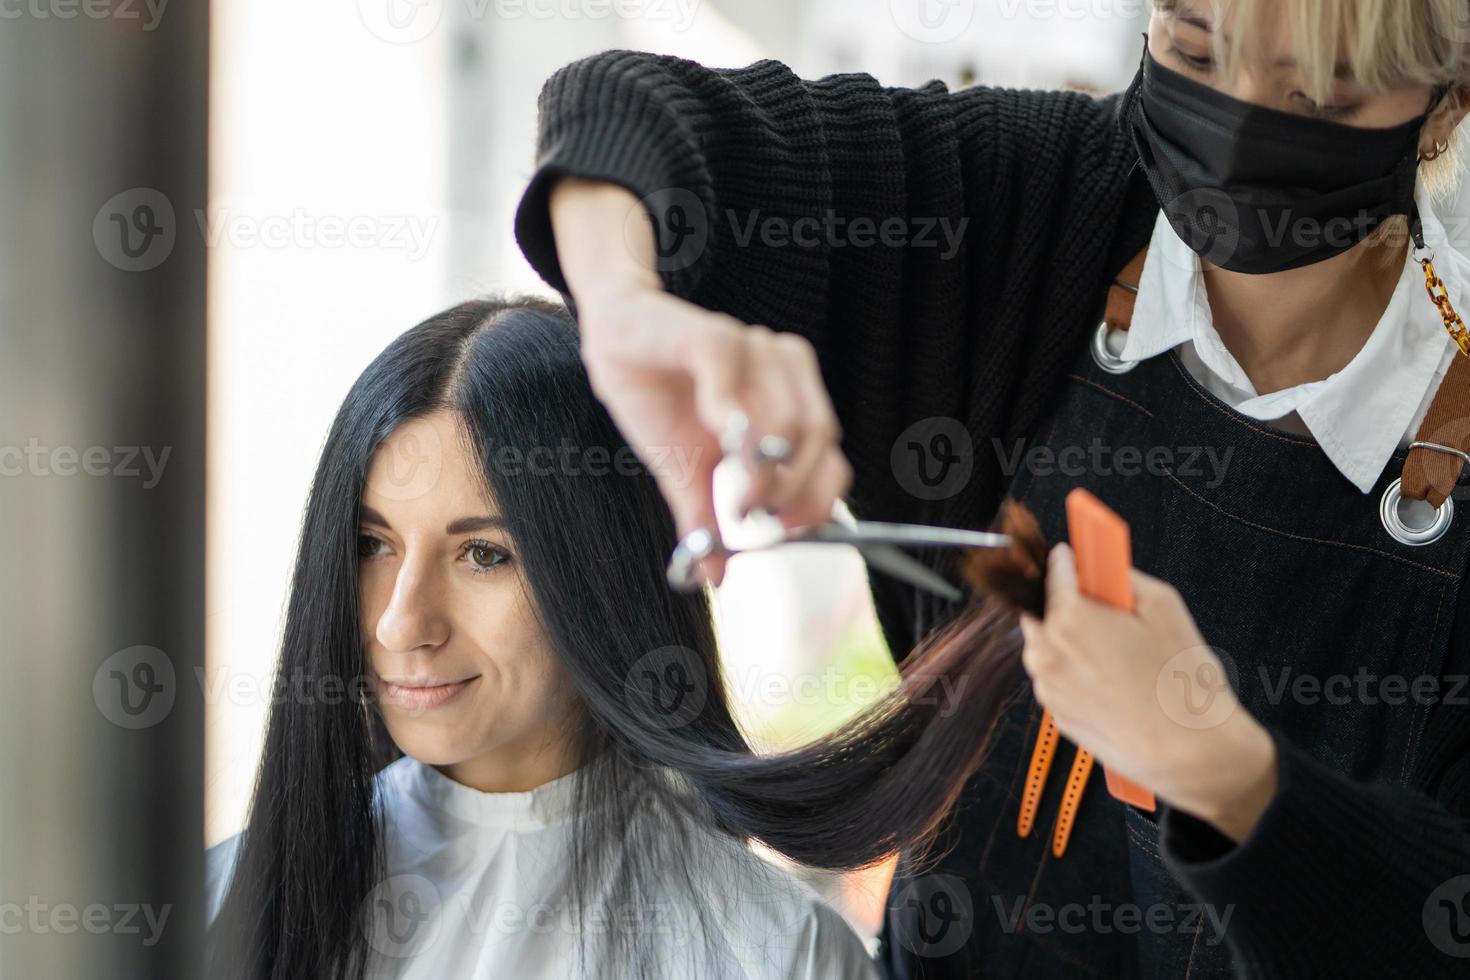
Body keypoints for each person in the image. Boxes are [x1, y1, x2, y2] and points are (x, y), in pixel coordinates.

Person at [511, 1, 1470, 977]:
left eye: (1319, 92)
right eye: (1194, 48)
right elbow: (628, 111)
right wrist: (628, 313)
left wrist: (1224, 771)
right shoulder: (1049, 199)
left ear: (1447, 104)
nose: (1237, 117)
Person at [203, 295, 1053, 980]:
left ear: (599, 573)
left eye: (484, 554)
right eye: (373, 544)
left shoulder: (775, 955)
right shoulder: (218, 906)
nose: (401, 622)